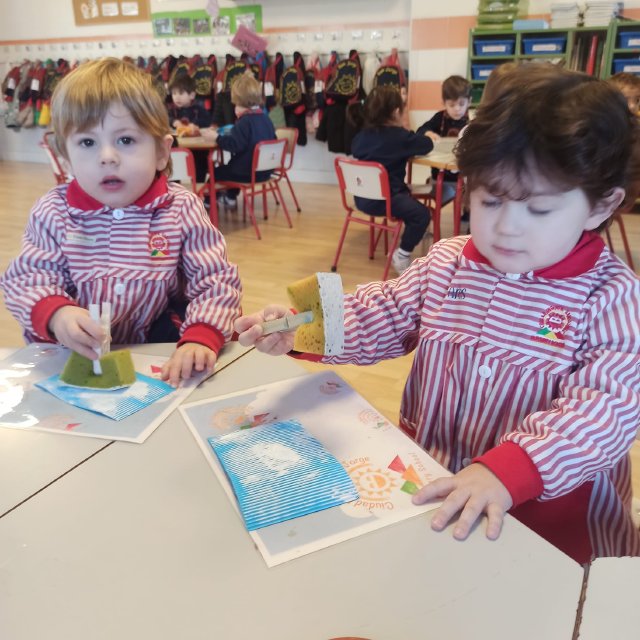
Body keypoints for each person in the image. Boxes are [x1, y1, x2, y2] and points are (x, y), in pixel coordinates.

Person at [233, 65, 640, 564]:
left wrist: (511, 470)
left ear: (600, 206)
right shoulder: (448, 261)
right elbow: (384, 311)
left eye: (538, 210)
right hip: (434, 482)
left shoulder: (614, 297)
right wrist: (305, 325)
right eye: (490, 200)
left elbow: (606, 409)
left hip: (548, 522)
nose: (507, 227)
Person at [0, 57, 242, 387]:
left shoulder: (181, 209)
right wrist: (57, 314)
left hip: (162, 355)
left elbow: (215, 281)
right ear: (65, 157)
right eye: (87, 142)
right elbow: (28, 278)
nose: (107, 157)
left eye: (126, 140)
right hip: (73, 359)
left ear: (161, 152)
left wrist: (201, 335)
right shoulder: (53, 212)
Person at [347, 86, 434, 275]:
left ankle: (412, 237)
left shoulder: (360, 137)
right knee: (422, 215)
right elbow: (426, 145)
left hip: (362, 198)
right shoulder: (400, 137)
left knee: (406, 194)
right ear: (396, 112)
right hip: (386, 201)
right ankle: (402, 255)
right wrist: (424, 135)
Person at [202, 72, 276, 209]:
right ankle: (230, 198)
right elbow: (273, 140)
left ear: (239, 102)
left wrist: (216, 138)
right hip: (265, 171)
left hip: (248, 173)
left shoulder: (244, 122)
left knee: (217, 173)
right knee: (233, 167)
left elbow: (234, 145)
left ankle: (207, 202)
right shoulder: (266, 119)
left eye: (235, 104)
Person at [416, 75, 471, 207]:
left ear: (469, 102)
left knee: (474, 191)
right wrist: (428, 133)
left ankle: (467, 212)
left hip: (465, 176)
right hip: (441, 175)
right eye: (451, 105)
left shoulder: (472, 120)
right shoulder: (440, 118)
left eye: (461, 104)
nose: (457, 109)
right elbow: (421, 130)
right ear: (444, 103)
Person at [167, 74, 212, 183]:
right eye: (174, 93)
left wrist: (196, 125)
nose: (177, 97)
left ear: (192, 95)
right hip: (178, 146)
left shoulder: (198, 109)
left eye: (181, 93)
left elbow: (208, 121)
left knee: (200, 162)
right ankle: (175, 185)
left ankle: (198, 185)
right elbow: (165, 118)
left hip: (197, 148)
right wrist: (173, 121)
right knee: (172, 161)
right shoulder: (172, 110)